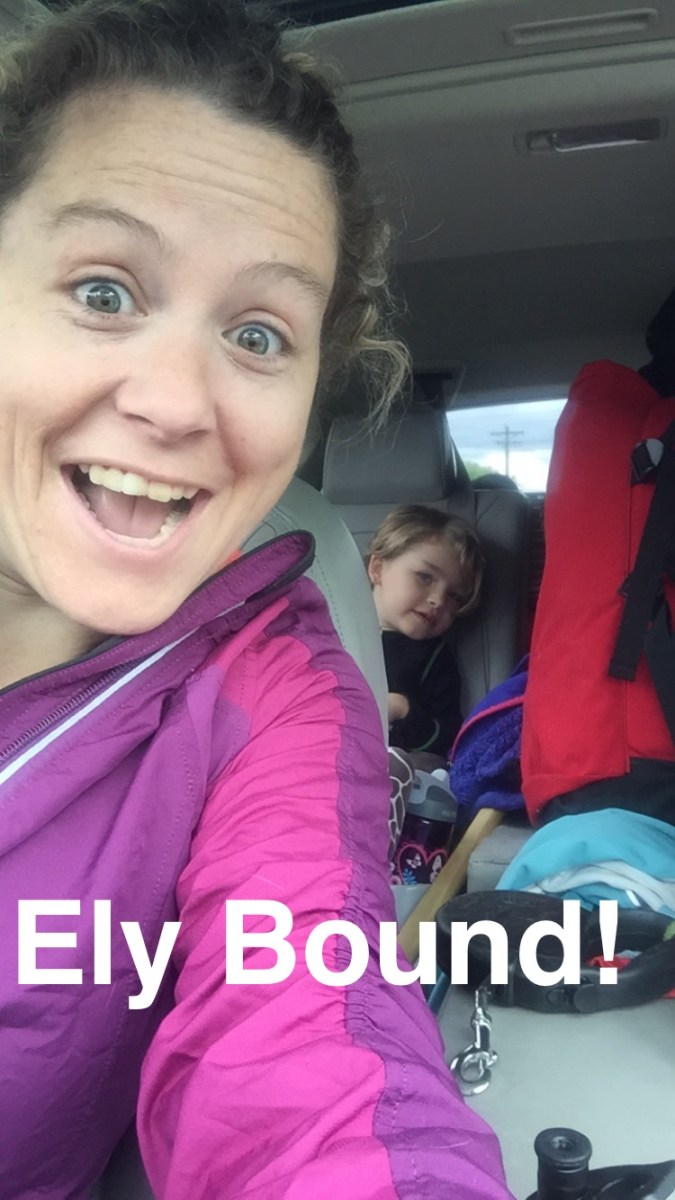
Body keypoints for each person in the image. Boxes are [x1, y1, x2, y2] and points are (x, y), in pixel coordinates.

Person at [0, 1, 512, 1197]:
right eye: (104, 292)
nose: (179, 402)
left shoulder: (278, 689)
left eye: (258, 334)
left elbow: (313, 1027)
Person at [367, 506, 484, 758]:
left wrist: (405, 711)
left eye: (454, 596)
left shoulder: (434, 659)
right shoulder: (328, 627)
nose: (438, 601)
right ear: (377, 569)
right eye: (424, 577)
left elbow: (449, 740)